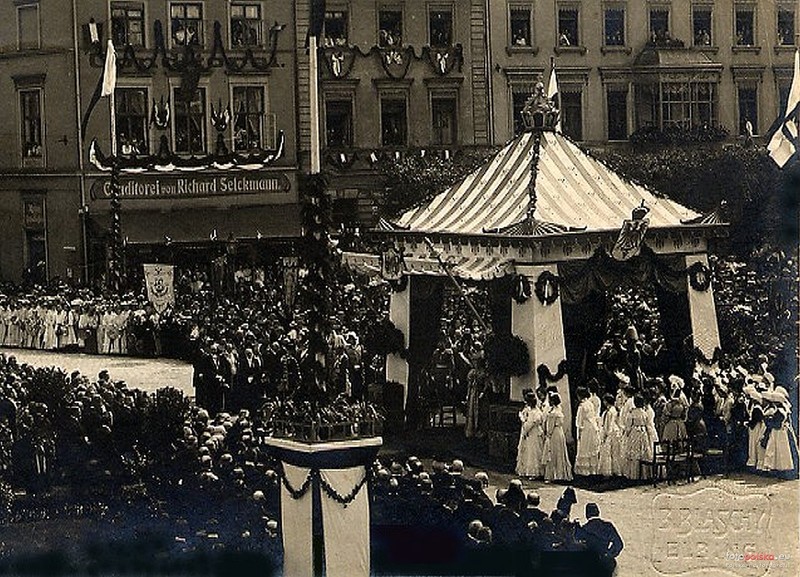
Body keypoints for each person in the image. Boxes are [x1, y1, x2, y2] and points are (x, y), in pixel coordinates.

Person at [575, 503, 624, 575]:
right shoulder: (608, 526)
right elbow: (619, 544)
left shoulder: (584, 529)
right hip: (606, 564)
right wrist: (608, 555)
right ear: (598, 512)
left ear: (587, 515)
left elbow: (575, 543)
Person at [759, 387, 796, 473]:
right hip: (778, 432)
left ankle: (783, 469)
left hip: (779, 433)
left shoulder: (780, 411)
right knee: (775, 450)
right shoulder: (781, 410)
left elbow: (777, 424)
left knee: (780, 451)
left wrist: (768, 421)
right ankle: (777, 468)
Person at [543, 393, 572, 482]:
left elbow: (550, 426)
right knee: (558, 452)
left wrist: (548, 434)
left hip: (554, 433)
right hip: (559, 432)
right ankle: (559, 474)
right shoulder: (558, 410)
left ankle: (554, 475)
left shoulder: (553, 413)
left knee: (553, 453)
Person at [516, 389, 544, 478]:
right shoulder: (538, 411)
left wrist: (523, 420)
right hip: (536, 432)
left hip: (533, 433)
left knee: (533, 452)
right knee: (533, 451)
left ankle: (534, 472)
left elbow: (529, 425)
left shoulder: (533, 413)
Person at [623, 395, 652, 480]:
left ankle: (634, 474)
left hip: (635, 433)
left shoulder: (631, 413)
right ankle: (644, 474)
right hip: (643, 432)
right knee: (643, 452)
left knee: (634, 453)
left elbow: (628, 426)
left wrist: (627, 433)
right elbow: (647, 423)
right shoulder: (644, 412)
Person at [574, 387, 601, 476]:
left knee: (585, 447)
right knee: (590, 448)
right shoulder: (590, 403)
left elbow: (579, 420)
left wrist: (579, 431)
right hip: (592, 426)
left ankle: (585, 471)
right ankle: (592, 470)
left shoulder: (582, 406)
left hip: (585, 427)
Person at [598, 393, 622, 477]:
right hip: (614, 432)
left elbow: (608, 424)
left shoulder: (610, 412)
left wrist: (605, 434)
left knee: (609, 451)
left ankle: (610, 471)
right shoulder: (612, 410)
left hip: (611, 432)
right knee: (614, 452)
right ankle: (614, 470)